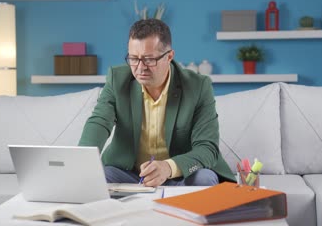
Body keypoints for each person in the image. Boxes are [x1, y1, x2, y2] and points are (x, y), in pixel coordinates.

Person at [79, 18, 235, 187]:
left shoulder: (198, 86)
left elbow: (207, 148)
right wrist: (80, 161)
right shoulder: (117, 79)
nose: (140, 68)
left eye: (148, 59)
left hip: (180, 175)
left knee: (204, 178)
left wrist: (168, 167)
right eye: (133, 58)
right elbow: (100, 121)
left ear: (169, 57)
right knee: (98, 177)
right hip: (129, 173)